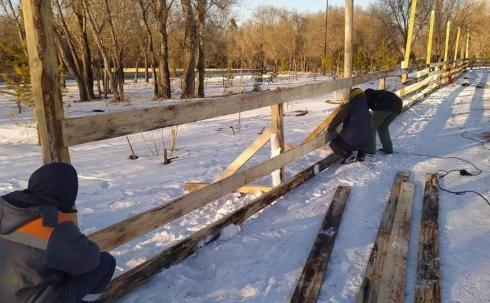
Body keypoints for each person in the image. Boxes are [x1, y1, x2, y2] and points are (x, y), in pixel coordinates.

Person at [0, 162, 116, 303]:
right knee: (106, 262)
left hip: (7, 288)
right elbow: (89, 260)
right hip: (32, 298)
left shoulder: (6, 208)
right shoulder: (51, 224)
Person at [327, 88, 372, 164]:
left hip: (351, 142)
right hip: (366, 143)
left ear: (352, 96)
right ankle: (361, 155)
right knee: (362, 133)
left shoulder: (349, 106)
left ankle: (347, 154)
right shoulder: (366, 108)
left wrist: (331, 128)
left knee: (334, 143)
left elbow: (338, 119)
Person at [364, 88, 403, 155]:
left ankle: (370, 150)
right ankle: (388, 149)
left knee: (371, 127)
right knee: (383, 127)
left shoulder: (366, 95)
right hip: (398, 106)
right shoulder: (375, 93)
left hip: (385, 106)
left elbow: (365, 110)